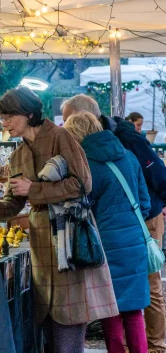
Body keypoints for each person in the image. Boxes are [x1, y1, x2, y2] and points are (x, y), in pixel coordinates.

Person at [0, 87, 118, 353]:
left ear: (29, 113)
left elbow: (83, 184)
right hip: (42, 250)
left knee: (67, 330)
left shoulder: (60, 136)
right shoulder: (18, 154)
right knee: (48, 333)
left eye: (9, 117)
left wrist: (34, 190)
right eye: (2, 118)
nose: (4, 123)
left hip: (70, 245)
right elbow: (11, 205)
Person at [61, 94, 166, 353]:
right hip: (134, 240)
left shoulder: (86, 165)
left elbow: (84, 208)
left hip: (104, 243)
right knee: (134, 310)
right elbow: (143, 201)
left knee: (110, 311)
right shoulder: (128, 155)